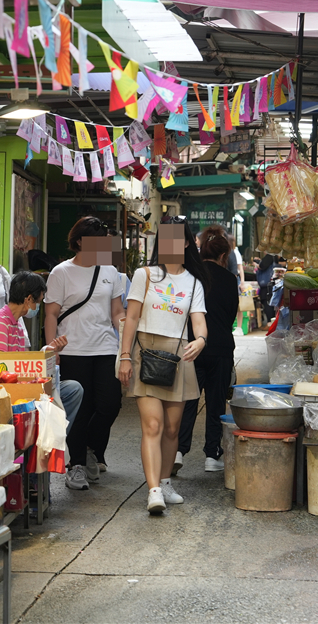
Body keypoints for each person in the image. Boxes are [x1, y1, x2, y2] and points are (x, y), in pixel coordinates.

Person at [119, 217, 209, 514]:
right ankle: (153, 490)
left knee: (172, 429)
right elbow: (131, 318)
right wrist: (124, 355)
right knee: (153, 425)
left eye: (178, 239)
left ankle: (166, 481)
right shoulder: (145, 274)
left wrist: (201, 341)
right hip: (146, 351)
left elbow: (199, 322)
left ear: (186, 243)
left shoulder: (193, 282)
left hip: (179, 354)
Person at [43, 216, 125, 491]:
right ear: (79, 241)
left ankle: (91, 448)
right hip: (73, 349)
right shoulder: (61, 273)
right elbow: (51, 314)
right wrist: (52, 350)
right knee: (78, 410)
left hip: (105, 347)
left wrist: (126, 343)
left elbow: (116, 313)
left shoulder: (110, 271)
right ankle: (76, 464)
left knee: (110, 404)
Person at [0, 272, 82, 434]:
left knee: (73, 389)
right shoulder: (0, 322)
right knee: (56, 398)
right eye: (38, 302)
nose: (37, 308)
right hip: (3, 390)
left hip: (18, 383)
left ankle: (53, 436)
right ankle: (47, 437)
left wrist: (49, 351)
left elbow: (23, 362)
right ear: (28, 299)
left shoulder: (17, 324)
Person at [176, 227, 240, 474]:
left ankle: (179, 451)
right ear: (224, 255)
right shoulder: (230, 280)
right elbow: (231, 317)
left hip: (192, 347)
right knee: (215, 405)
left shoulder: (191, 277)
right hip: (221, 349)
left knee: (188, 402)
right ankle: (212, 455)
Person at [255, 254, 276, 322]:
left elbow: (263, 266)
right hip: (271, 285)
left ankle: (270, 323)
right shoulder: (273, 256)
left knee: (267, 304)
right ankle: (271, 322)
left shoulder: (269, 256)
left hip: (267, 286)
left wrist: (257, 264)